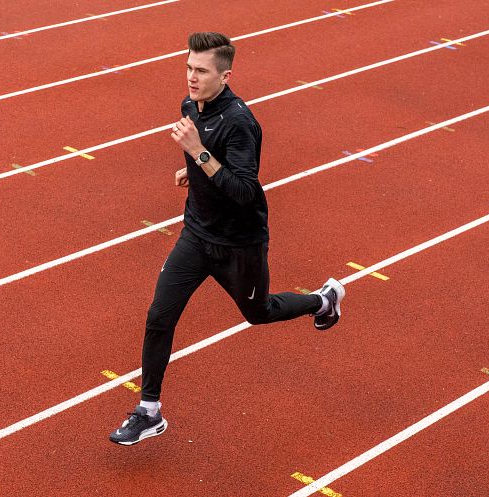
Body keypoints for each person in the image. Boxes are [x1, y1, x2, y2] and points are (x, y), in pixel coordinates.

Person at [109, 32, 345, 446]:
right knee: (159, 316)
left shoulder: (240, 122)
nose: (191, 78)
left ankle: (323, 300)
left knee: (259, 312)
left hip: (240, 244)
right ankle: (149, 411)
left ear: (225, 74)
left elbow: (244, 192)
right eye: (188, 68)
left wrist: (199, 154)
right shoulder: (189, 105)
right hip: (196, 235)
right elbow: (210, 165)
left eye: (201, 71)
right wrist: (194, 170)